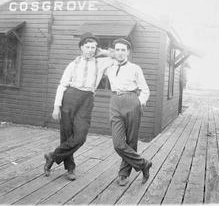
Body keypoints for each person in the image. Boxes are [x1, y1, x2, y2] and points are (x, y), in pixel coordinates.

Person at [44, 32, 114, 180]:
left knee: (80, 136)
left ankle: (52, 156)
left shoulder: (101, 62)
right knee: (67, 135)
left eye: (93, 47)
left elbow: (117, 56)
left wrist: (103, 52)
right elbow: (62, 85)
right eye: (87, 47)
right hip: (69, 98)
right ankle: (70, 168)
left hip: (87, 100)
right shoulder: (73, 64)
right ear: (81, 48)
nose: (90, 50)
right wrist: (56, 106)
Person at [104, 38, 152, 186]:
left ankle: (123, 174)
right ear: (114, 51)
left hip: (132, 101)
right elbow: (97, 56)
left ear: (128, 52)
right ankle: (143, 163)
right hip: (115, 102)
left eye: (123, 50)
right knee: (118, 143)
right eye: (117, 50)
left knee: (131, 141)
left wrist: (139, 102)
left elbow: (145, 89)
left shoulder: (135, 68)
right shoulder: (109, 67)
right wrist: (108, 54)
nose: (120, 53)